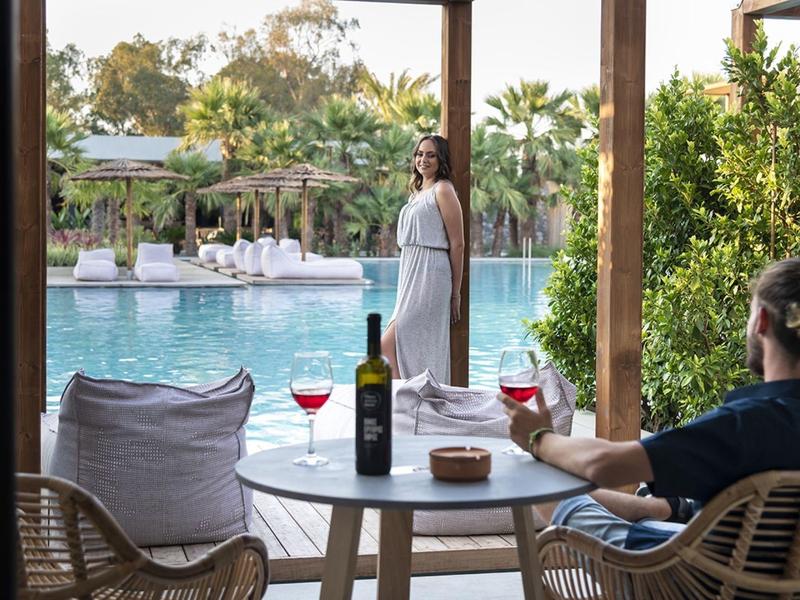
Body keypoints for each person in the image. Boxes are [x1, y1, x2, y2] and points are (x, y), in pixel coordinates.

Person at [499, 257, 800, 550]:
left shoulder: (750, 425)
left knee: (542, 484)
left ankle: (661, 509)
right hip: (769, 573)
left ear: (761, 321)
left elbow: (603, 464)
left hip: (690, 579)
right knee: (652, 507)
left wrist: (538, 439)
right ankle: (663, 508)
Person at [382, 134, 464, 384]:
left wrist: (455, 293)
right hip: (410, 275)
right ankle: (411, 402)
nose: (423, 159)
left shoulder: (443, 189)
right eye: (419, 154)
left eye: (430, 154)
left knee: (386, 344)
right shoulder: (417, 192)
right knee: (392, 345)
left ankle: (409, 402)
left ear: (441, 159)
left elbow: (458, 243)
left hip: (431, 275)